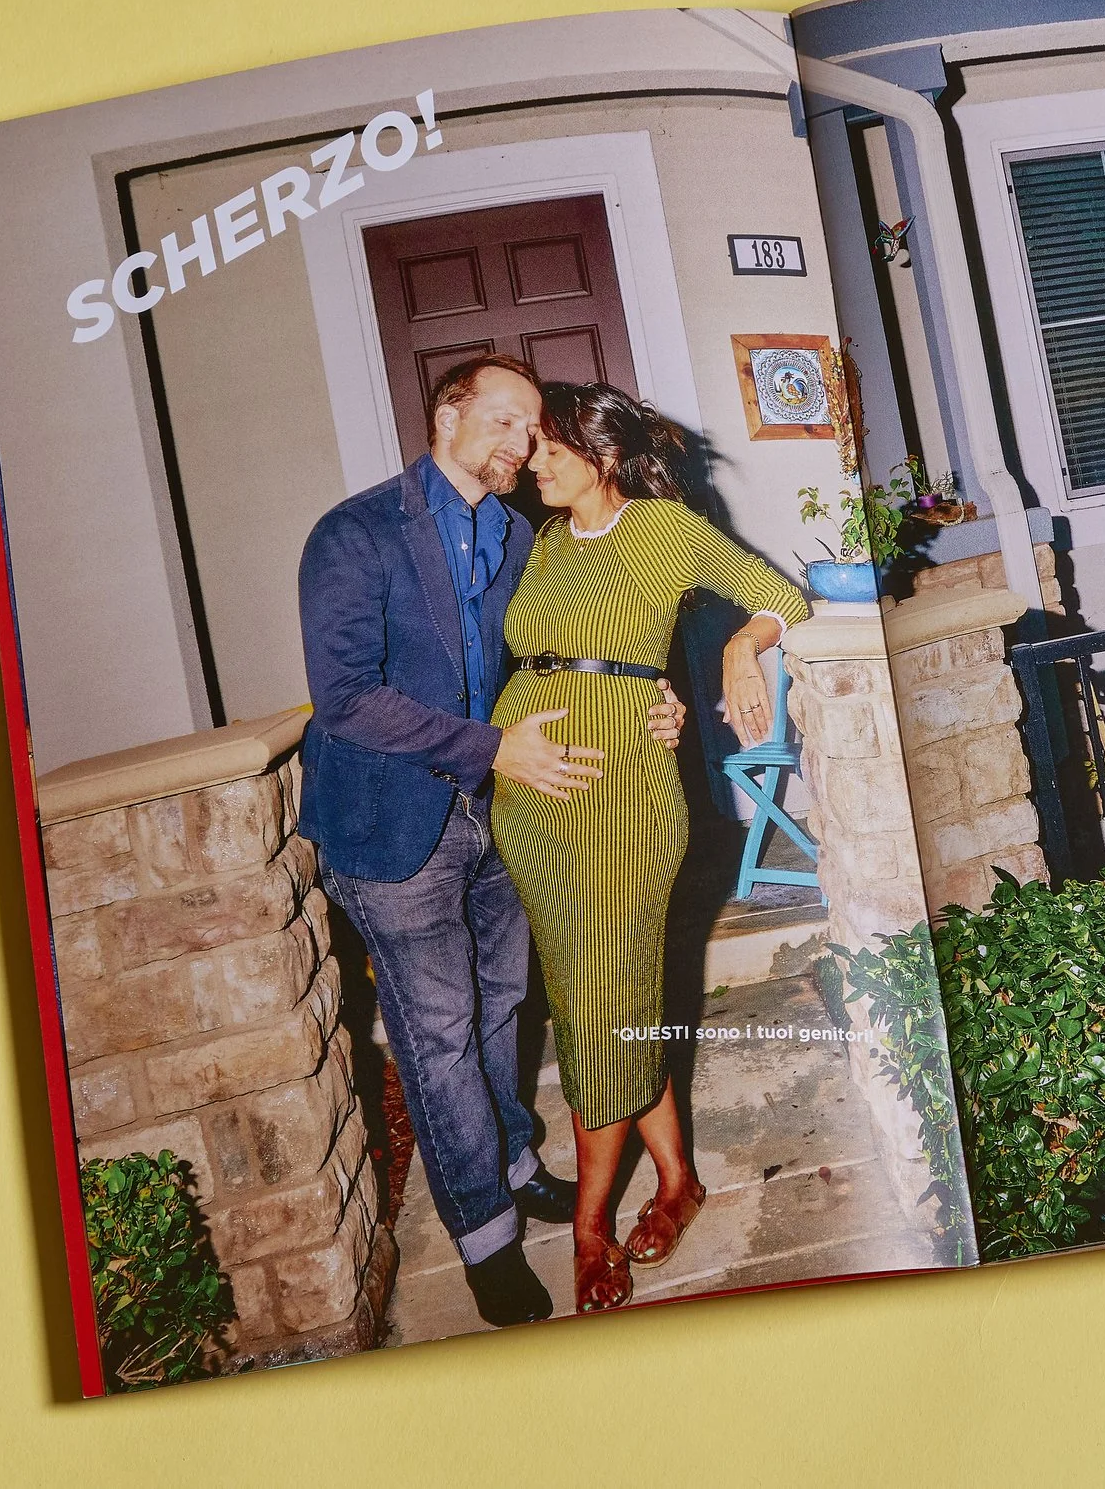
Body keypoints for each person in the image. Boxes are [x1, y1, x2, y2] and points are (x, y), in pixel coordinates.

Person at [294, 354, 689, 1327]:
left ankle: (514, 1161)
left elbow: (563, 648)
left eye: (531, 429)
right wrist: (492, 745)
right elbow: (346, 699)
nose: (520, 443)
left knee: (504, 1004)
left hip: (500, 811)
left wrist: (653, 696)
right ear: (445, 414)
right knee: (435, 1034)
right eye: (503, 420)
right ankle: (484, 1235)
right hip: (392, 823)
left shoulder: (519, 535)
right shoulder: (353, 533)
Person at [492, 382, 811, 1311]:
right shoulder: (544, 543)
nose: (534, 461)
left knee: (599, 1014)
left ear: (602, 453)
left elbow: (776, 594)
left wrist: (730, 654)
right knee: (606, 999)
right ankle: (678, 1182)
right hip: (532, 803)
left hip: (624, 794)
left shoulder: (662, 528)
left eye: (550, 447)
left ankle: (589, 1232)